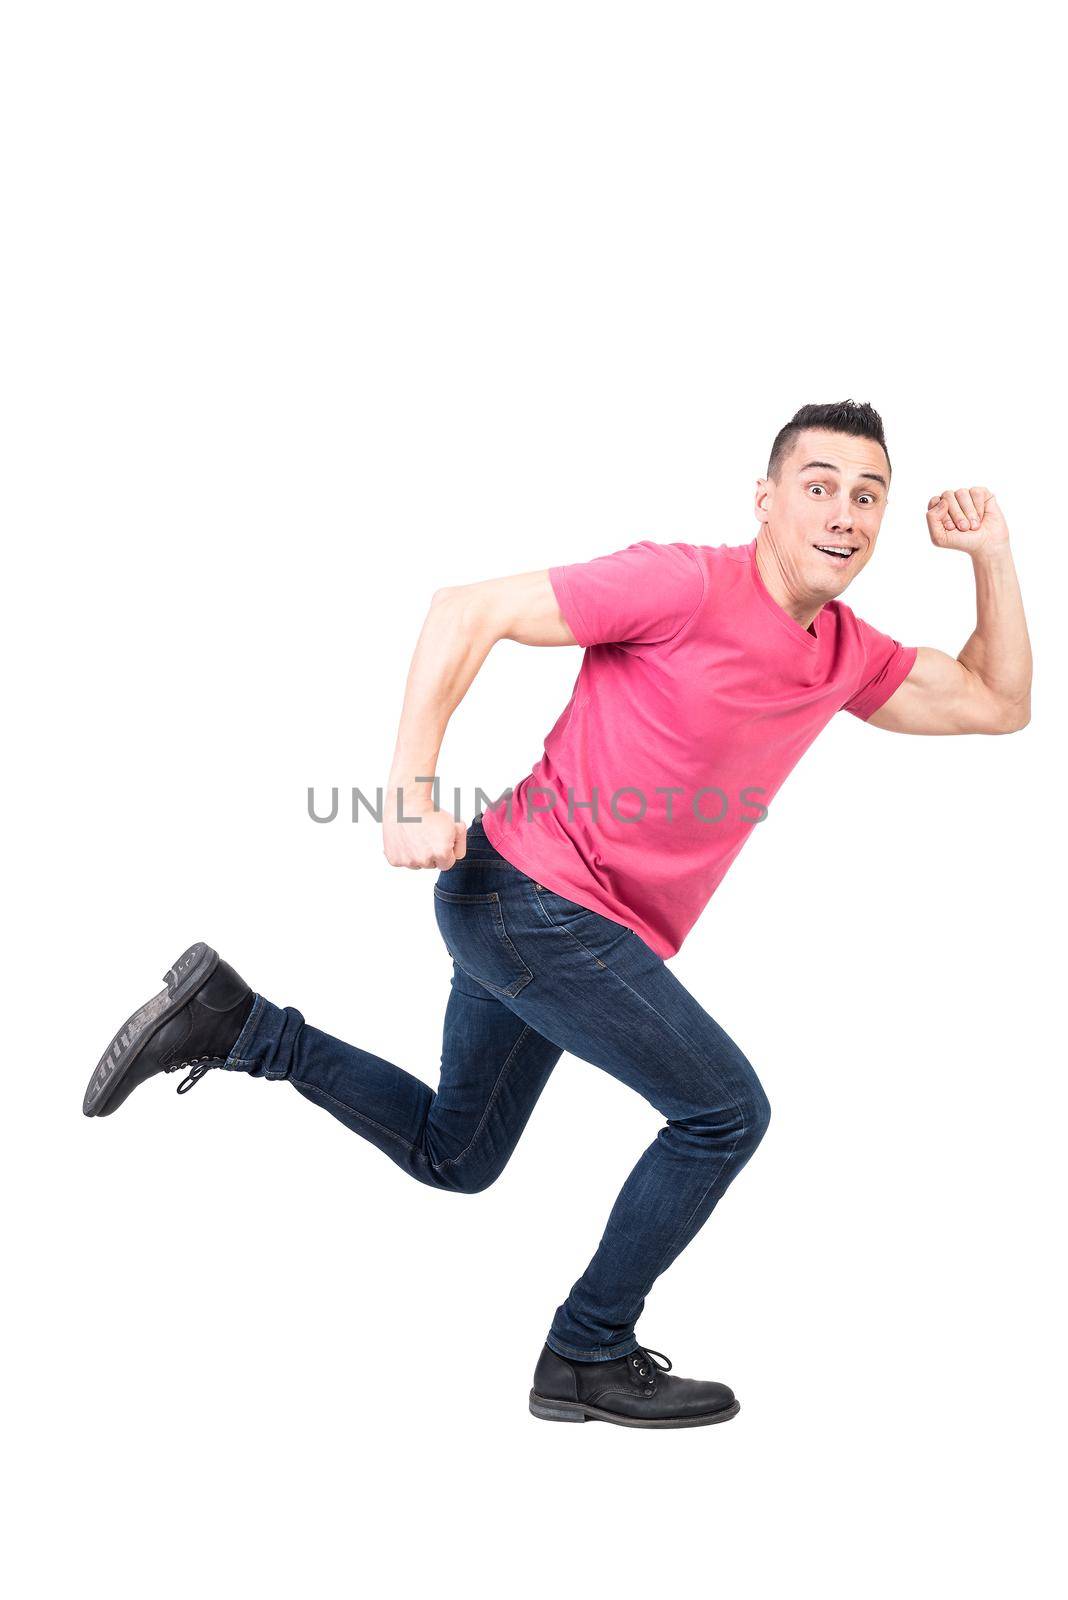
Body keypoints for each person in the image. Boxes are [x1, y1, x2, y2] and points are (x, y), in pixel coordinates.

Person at [82, 400, 1032, 1430]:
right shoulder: (682, 582)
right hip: (531, 900)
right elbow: (464, 609)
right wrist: (408, 790)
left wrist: (991, 554)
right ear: (765, 500)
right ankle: (588, 1350)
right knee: (724, 1113)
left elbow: (997, 700)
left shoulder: (843, 652)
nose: (844, 513)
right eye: (819, 486)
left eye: (867, 495)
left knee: (459, 1153)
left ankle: (239, 1023)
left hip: (547, 917)